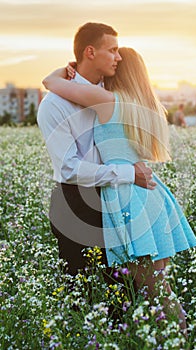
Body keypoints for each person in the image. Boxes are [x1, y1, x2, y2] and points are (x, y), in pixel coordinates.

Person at [43, 46, 196, 335]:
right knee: (154, 285)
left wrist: (65, 70)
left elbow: (51, 85)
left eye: (117, 60)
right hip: (148, 193)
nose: (112, 62)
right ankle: (169, 336)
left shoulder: (109, 100)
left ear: (123, 71)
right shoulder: (147, 106)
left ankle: (183, 338)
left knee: (157, 289)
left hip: (128, 194)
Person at [37, 23, 155, 278]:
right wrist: (128, 173)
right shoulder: (54, 104)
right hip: (76, 203)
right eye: (112, 50)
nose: (118, 57)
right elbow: (69, 169)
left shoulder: (115, 94)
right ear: (90, 52)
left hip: (119, 197)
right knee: (83, 293)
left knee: (127, 291)